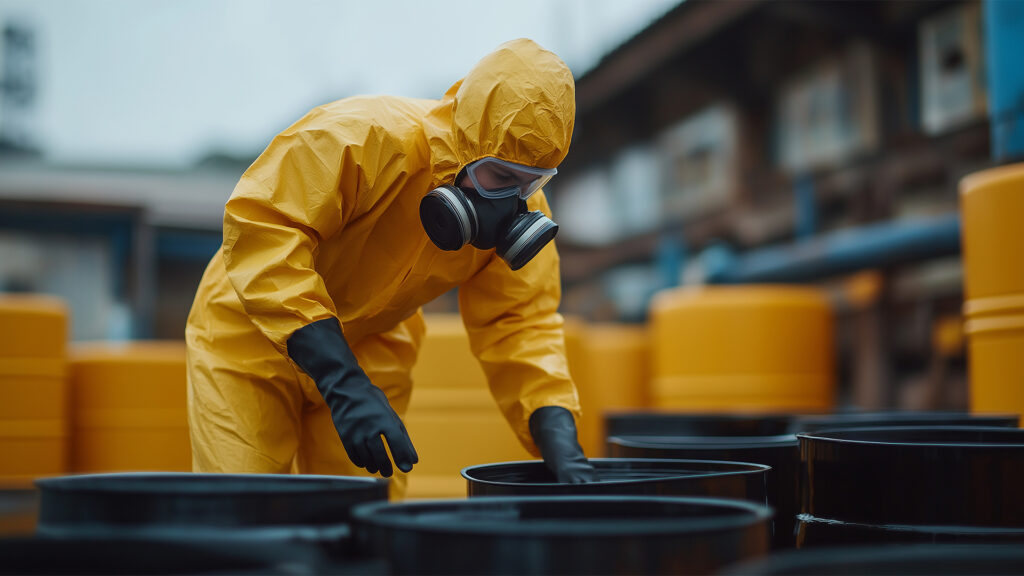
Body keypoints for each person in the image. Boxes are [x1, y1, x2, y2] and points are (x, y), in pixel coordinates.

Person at [185, 38, 596, 497]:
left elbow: (519, 322)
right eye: (499, 177)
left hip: (371, 346)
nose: (511, 204)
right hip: (249, 333)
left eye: (530, 182)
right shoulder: (359, 138)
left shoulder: (520, 203)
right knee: (245, 510)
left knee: (363, 520)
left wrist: (553, 425)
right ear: (467, 145)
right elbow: (264, 230)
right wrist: (341, 380)